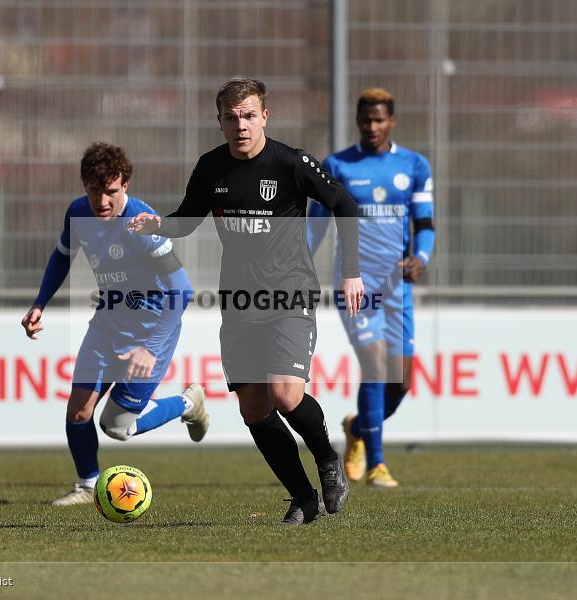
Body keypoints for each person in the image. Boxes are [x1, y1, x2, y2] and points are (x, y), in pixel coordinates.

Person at [127, 78, 364, 525]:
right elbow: (186, 222)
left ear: (264, 117)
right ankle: (303, 498)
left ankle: (328, 460)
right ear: (220, 122)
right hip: (239, 302)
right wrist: (155, 225)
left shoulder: (290, 163)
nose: (242, 125)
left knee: (284, 392)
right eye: (232, 117)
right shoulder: (210, 168)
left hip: (290, 294)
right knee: (253, 407)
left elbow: (345, 204)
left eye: (250, 115)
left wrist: (351, 272)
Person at [22, 142, 209, 506]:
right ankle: (88, 485)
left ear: (125, 185)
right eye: (95, 190)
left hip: (152, 328)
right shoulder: (78, 212)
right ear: (84, 185)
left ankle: (188, 403)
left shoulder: (140, 223)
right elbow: (62, 257)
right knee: (78, 410)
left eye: (111, 191)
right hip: (108, 320)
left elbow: (182, 291)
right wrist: (39, 304)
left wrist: (150, 348)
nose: (102, 200)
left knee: (117, 426)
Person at [307, 87, 435, 488]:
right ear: (358, 121)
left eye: (379, 120)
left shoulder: (414, 165)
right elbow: (315, 226)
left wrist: (422, 258)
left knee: (401, 383)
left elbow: (425, 225)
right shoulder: (338, 166)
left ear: (391, 121)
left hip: (398, 288)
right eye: (366, 120)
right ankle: (378, 464)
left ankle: (358, 428)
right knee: (376, 367)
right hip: (356, 285)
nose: (372, 126)